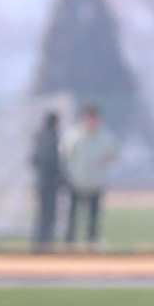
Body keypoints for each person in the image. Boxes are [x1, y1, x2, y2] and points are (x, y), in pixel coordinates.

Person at [60, 105, 117, 252]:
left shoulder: (105, 135)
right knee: (72, 215)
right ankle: (70, 243)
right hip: (76, 181)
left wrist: (105, 160)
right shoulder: (74, 135)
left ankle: (91, 243)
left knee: (93, 216)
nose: (92, 121)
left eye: (94, 119)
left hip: (96, 181)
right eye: (89, 118)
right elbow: (64, 154)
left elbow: (113, 153)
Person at [29, 111, 63, 253]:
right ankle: (46, 243)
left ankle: (38, 242)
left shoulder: (39, 137)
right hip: (50, 181)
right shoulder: (53, 138)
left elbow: (33, 159)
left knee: (41, 213)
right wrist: (57, 175)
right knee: (49, 213)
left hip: (40, 180)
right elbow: (53, 159)